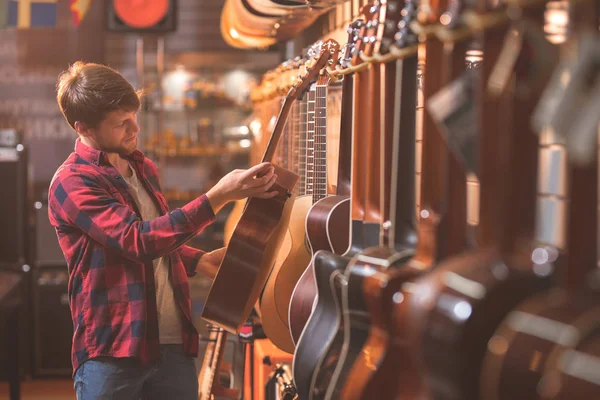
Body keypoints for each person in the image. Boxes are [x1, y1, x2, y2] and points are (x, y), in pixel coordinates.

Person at [48, 62, 277, 400]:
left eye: (134, 116)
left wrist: (198, 260)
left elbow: (149, 239)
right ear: (83, 128)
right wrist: (219, 196)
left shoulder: (142, 168)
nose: (134, 128)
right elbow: (136, 240)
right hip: (114, 352)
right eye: (121, 123)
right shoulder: (72, 181)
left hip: (172, 344)